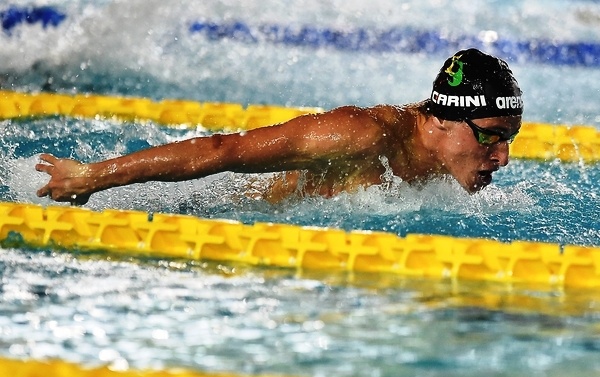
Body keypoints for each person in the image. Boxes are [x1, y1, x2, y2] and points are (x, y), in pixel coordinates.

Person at [36, 48, 523, 205]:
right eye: (491, 136)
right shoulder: (362, 135)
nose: (501, 157)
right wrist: (93, 176)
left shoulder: (448, 164)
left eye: (508, 140)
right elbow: (225, 150)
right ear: (441, 119)